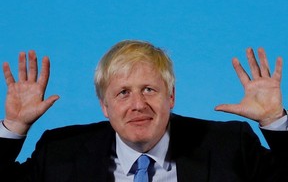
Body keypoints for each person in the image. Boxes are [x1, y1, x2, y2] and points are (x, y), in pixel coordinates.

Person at [0, 39, 287, 182]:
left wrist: (276, 121)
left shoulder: (229, 147)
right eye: (123, 92)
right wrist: (13, 127)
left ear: (171, 97)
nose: (138, 104)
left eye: (149, 89)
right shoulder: (60, 154)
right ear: (105, 106)